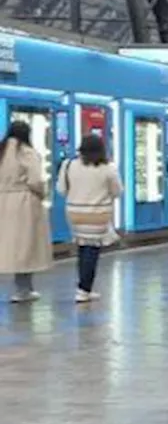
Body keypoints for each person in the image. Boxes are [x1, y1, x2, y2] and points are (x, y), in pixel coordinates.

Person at [57, 133, 122, 302]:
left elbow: (61, 190)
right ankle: (84, 289)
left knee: (81, 247)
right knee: (92, 250)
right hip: (98, 214)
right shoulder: (108, 168)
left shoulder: (68, 164)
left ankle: (83, 286)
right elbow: (117, 191)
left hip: (75, 213)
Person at [0, 119, 52, 303]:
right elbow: (35, 180)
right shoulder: (27, 153)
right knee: (25, 246)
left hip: (3, 201)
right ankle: (23, 289)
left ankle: (24, 288)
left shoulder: (2, 151)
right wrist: (43, 193)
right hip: (24, 202)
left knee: (9, 246)